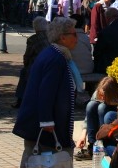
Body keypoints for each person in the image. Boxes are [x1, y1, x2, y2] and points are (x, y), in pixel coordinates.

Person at [14, 17, 82, 167]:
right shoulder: (55, 58)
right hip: (46, 128)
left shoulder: (55, 54)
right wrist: (46, 121)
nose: (77, 37)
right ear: (62, 37)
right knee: (43, 161)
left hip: (48, 124)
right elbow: (46, 91)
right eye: (74, 34)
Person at [76, 76, 118, 159]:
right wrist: (83, 135)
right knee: (91, 105)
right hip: (100, 116)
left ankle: (104, 143)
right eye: (101, 96)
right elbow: (88, 117)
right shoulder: (97, 93)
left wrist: (113, 104)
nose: (102, 98)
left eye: (104, 97)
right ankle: (92, 146)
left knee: (102, 107)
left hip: (112, 115)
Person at [16, 16, 50, 108]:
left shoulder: (33, 39)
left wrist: (26, 64)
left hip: (38, 67)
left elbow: (27, 55)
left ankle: (20, 99)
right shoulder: (50, 37)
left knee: (24, 73)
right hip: (50, 65)